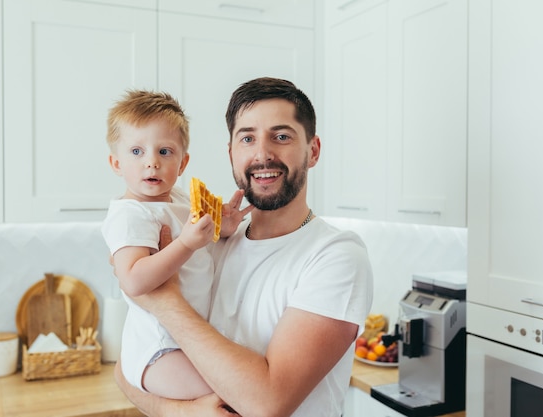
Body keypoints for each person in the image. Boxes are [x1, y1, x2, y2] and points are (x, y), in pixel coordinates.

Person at [114, 78, 374, 416]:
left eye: (281, 137)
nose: (263, 154)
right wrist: (179, 412)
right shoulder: (209, 238)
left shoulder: (336, 257)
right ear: (231, 153)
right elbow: (127, 368)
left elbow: (268, 403)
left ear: (313, 151)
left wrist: (164, 301)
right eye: (247, 138)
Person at [101, 90, 248, 400]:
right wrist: (185, 244)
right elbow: (133, 279)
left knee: (237, 388)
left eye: (165, 152)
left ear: (183, 163)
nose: (152, 163)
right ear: (116, 163)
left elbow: (201, 234)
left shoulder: (180, 199)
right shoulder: (130, 214)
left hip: (186, 339)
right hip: (159, 351)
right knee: (233, 396)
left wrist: (223, 228)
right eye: (137, 152)